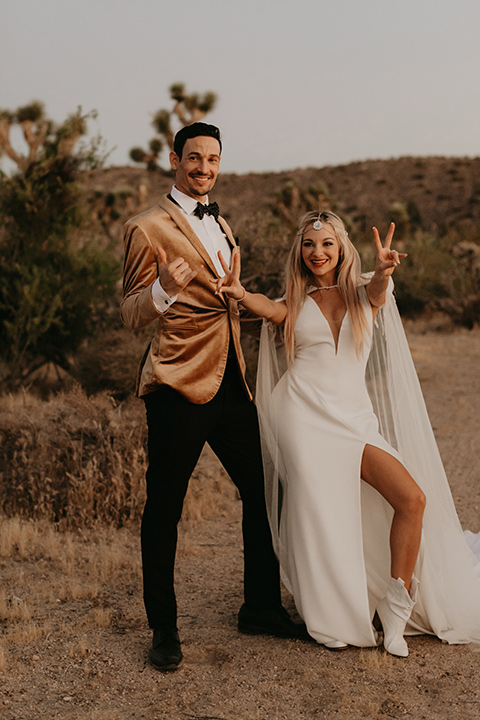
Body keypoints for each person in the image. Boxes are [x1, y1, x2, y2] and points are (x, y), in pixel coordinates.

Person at [215, 210, 480, 656]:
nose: (317, 253)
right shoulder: (296, 301)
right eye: (308, 245)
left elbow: (378, 291)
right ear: (300, 253)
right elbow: (267, 306)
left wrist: (386, 270)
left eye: (327, 245)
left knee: (411, 499)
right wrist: (240, 293)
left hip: (354, 421)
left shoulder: (364, 292)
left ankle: (396, 612)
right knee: (319, 514)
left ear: (341, 250)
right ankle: (332, 615)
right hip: (301, 415)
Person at [120, 123, 304, 672]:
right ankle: (164, 630)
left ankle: (261, 607)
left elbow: (228, 300)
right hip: (177, 384)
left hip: (232, 382)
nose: (203, 167)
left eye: (213, 159)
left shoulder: (221, 221)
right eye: (194, 158)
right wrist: (163, 291)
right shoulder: (146, 227)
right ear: (174, 159)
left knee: (265, 487)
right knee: (165, 510)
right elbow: (131, 311)